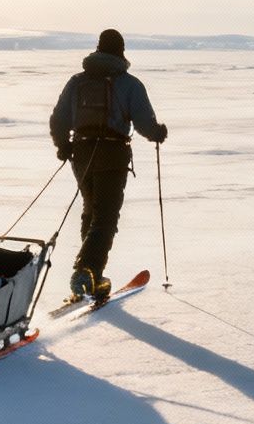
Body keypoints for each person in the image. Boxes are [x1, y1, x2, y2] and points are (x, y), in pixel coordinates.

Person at [49, 29, 166, 302]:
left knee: (91, 212)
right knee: (105, 217)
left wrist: (63, 146)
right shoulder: (129, 84)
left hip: (81, 153)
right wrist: (158, 132)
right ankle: (87, 271)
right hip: (112, 153)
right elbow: (145, 124)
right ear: (121, 52)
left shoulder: (76, 82)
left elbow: (58, 119)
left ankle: (90, 275)